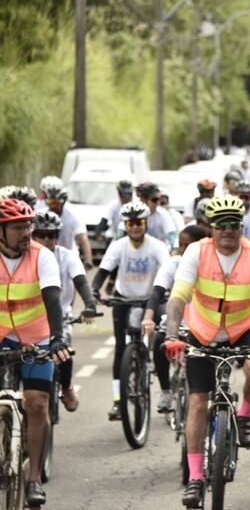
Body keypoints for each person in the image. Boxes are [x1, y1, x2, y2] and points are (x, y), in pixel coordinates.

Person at [162, 196, 250, 507]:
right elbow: (178, 296)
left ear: (242, 227)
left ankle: (244, 416)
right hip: (201, 330)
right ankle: (194, 479)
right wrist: (171, 335)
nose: (228, 231)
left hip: (244, 326)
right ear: (212, 229)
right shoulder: (196, 251)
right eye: (222, 226)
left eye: (234, 225)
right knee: (197, 402)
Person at [0, 199, 71, 507]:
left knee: (37, 404)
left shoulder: (43, 257)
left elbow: (52, 298)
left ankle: (33, 479)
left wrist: (56, 337)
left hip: (37, 338)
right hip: (2, 337)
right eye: (18, 227)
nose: (26, 232)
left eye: (28, 225)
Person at [91, 201, 170, 419]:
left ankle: (165, 388)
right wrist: (95, 290)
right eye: (130, 223)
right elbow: (103, 271)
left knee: (159, 341)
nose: (135, 227)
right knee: (120, 350)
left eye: (139, 222)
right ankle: (118, 401)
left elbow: (167, 270)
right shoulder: (118, 246)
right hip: (124, 300)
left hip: (151, 299)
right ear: (125, 226)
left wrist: (168, 290)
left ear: (146, 223)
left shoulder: (157, 246)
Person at [32, 211, 98, 413]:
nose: (46, 240)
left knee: (64, 350)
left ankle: (67, 387)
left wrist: (90, 304)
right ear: (33, 235)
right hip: (31, 318)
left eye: (51, 235)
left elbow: (80, 281)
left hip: (61, 315)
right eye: (41, 234)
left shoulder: (68, 256)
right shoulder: (26, 257)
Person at [140, 225, 208, 413]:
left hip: (204, 323)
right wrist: (148, 317)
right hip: (177, 320)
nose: (183, 250)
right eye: (180, 245)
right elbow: (157, 292)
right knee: (160, 343)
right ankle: (166, 391)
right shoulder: (173, 263)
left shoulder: (211, 264)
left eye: (189, 246)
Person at [38, 176, 94, 269]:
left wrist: (88, 260)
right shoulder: (41, 214)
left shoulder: (73, 213)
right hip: (46, 255)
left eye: (55, 203)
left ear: (62, 202)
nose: (52, 206)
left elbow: (83, 238)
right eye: (50, 202)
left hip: (69, 257)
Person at [135, 182, 177, 250]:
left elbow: (171, 234)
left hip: (158, 252)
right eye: (155, 200)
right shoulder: (134, 213)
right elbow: (121, 233)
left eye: (159, 199)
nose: (158, 203)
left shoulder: (163, 214)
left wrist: (174, 248)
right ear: (143, 200)